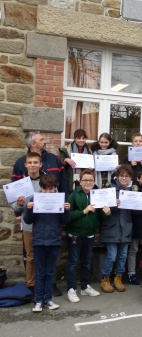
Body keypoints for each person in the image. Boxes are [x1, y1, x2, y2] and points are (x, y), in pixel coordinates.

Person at [23, 175, 71, 312]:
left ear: (55, 188)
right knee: (40, 273)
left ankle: (48, 299)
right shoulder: (34, 199)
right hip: (38, 241)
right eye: (46, 189)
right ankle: (38, 301)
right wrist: (29, 208)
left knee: (50, 272)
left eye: (51, 189)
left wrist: (67, 210)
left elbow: (65, 221)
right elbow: (28, 220)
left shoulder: (60, 201)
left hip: (54, 241)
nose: (48, 192)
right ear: (41, 188)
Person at [66, 169, 110, 303]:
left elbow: (101, 216)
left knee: (86, 262)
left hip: (90, 234)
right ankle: (71, 289)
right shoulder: (73, 195)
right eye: (85, 180)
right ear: (80, 181)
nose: (88, 182)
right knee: (73, 263)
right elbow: (67, 216)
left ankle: (85, 287)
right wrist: (84, 211)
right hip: (75, 234)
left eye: (91, 180)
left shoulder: (97, 195)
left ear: (94, 181)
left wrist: (107, 213)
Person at [10, 152, 45, 294]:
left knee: (46, 256)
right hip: (28, 226)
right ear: (25, 165)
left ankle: (48, 283)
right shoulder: (20, 184)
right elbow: (14, 206)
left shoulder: (47, 180)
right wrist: (19, 204)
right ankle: (31, 284)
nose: (33, 165)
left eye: (35, 162)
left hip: (45, 224)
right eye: (30, 163)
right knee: (30, 256)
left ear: (40, 164)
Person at [100, 164, 136, 293]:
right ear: (117, 176)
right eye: (121, 175)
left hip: (126, 228)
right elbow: (102, 208)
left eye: (127, 176)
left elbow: (135, 213)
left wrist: (141, 205)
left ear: (130, 177)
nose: (124, 178)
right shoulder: (109, 189)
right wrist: (114, 205)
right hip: (112, 228)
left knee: (123, 256)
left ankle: (118, 278)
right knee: (111, 256)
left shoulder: (133, 191)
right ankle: (105, 278)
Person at [12, 131, 69, 197]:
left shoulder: (54, 159)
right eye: (41, 140)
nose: (45, 142)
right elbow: (15, 188)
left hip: (53, 204)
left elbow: (64, 183)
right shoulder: (20, 163)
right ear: (33, 144)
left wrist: (65, 201)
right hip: (30, 205)